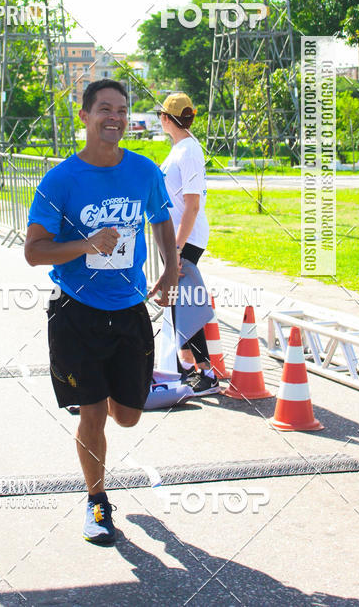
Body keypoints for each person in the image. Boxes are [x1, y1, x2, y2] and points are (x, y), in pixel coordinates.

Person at [25, 79, 179, 545]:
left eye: (122, 110)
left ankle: (111, 395)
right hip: (77, 311)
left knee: (127, 415)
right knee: (91, 412)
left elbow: (162, 219)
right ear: (85, 116)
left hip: (129, 308)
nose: (115, 117)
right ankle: (97, 501)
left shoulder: (145, 171)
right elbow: (34, 251)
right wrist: (87, 244)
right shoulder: (61, 180)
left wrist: (171, 271)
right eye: (105, 109)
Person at [158, 93, 220, 395]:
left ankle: (206, 373)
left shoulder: (189, 151)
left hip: (187, 238)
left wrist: (178, 249)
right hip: (176, 238)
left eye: (162, 115)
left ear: (166, 119)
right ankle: (187, 368)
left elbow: (192, 205)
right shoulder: (180, 149)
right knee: (179, 303)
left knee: (187, 304)